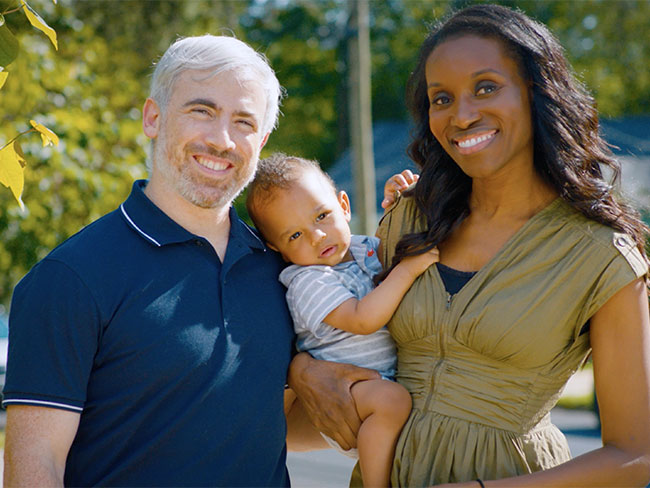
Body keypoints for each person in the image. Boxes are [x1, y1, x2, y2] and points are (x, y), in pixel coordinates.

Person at [288, 4, 650, 487]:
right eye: (441, 98)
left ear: (537, 94)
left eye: (486, 87)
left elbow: (637, 456)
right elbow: (337, 348)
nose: (461, 115)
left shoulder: (602, 256)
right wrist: (305, 370)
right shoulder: (407, 221)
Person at [2, 35, 297, 487]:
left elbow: (269, 424)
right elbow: (36, 463)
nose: (222, 140)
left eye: (243, 121)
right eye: (202, 111)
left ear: (262, 140)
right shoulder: (72, 278)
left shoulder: (282, 269)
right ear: (152, 118)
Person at [246, 153, 438, 487]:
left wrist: (398, 202)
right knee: (393, 402)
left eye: (322, 216)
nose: (317, 236)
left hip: (381, 382)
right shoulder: (307, 281)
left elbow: (393, 250)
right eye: (295, 236)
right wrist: (407, 269)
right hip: (349, 399)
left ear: (344, 206)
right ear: (276, 249)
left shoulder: (364, 248)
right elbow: (362, 318)